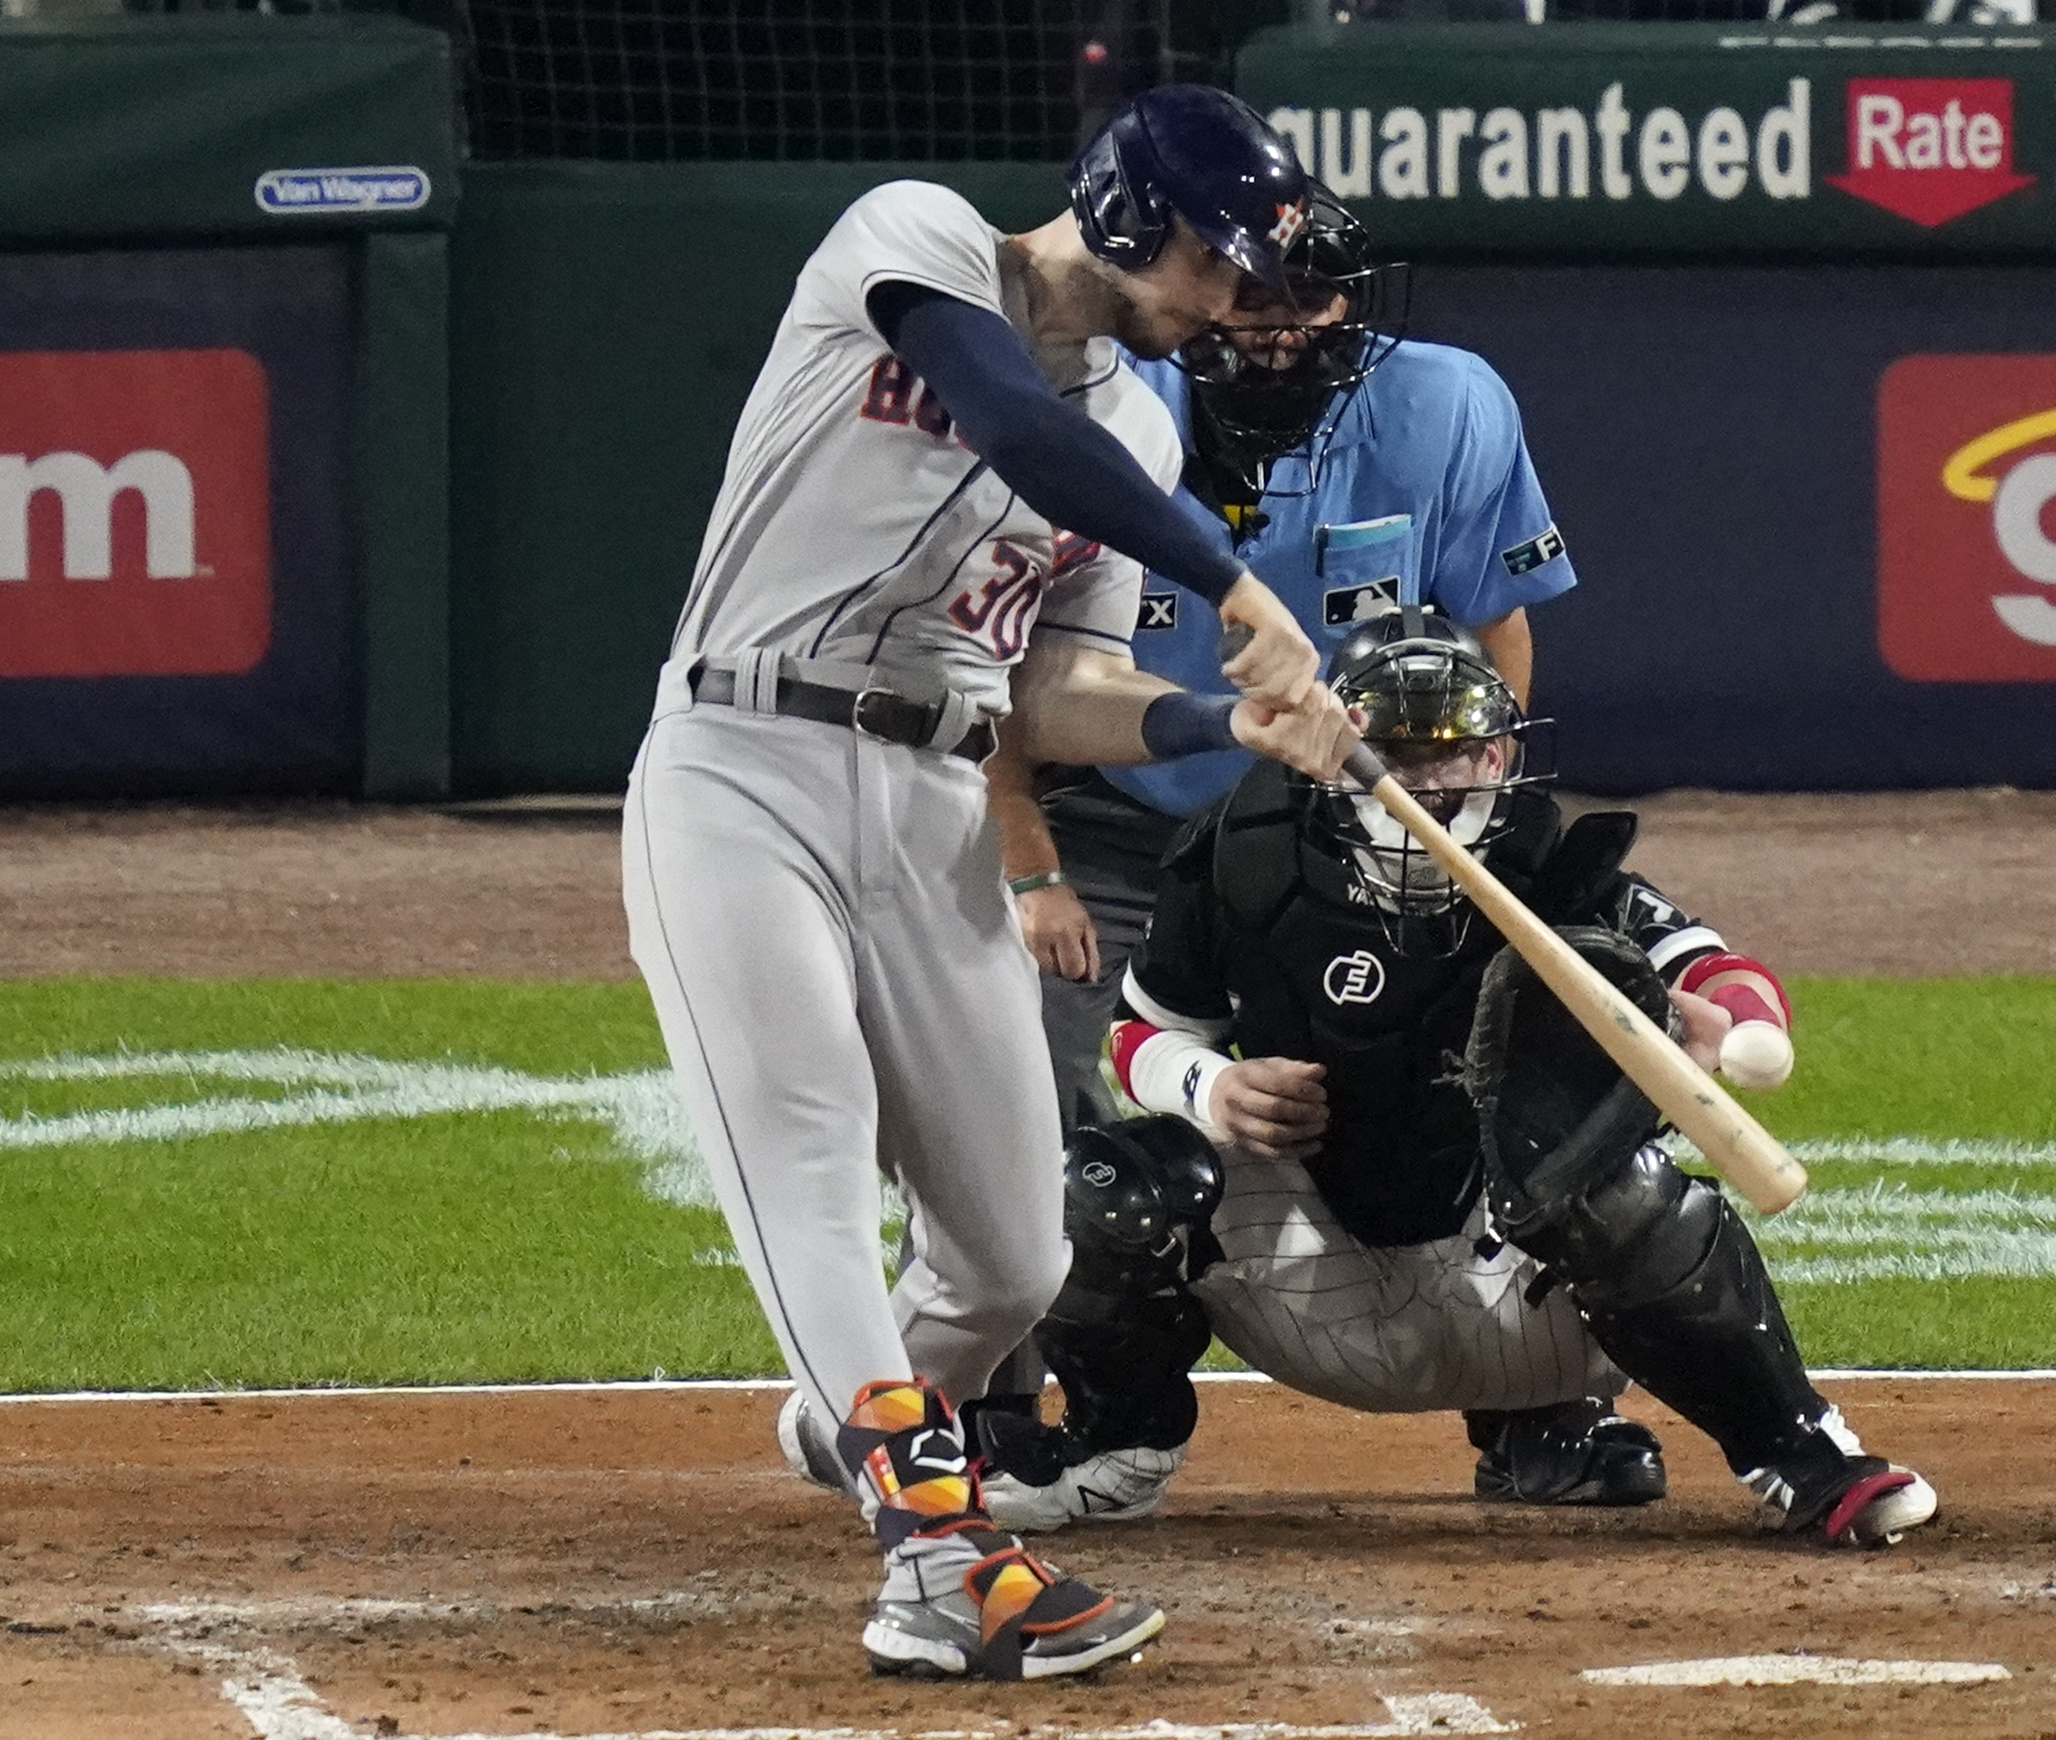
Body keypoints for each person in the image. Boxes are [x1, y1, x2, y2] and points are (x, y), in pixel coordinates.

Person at [620, 85, 1359, 1682]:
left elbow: (1052, 699)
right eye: (1213, 260)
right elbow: (1014, 421)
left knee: (1015, 1256)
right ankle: (938, 1564)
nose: (1233, 300)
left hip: (933, 801)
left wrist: (1224, 718)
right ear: (1117, 213)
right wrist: (1228, 578)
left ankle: (858, 1417)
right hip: (742, 770)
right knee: (805, 1141)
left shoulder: (1148, 430)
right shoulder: (913, 238)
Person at [980, 612, 1938, 1545]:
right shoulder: (1244, 852)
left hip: (1518, 1295)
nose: (1426, 783)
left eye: (1451, 755)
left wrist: (1738, 1030)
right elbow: (1141, 1037)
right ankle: (1112, 1450)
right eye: (1395, 755)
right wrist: (1212, 1088)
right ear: (1335, 752)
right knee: (1104, 1181)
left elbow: (1711, 968)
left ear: (1498, 758)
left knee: (1626, 1186)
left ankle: (1803, 1455)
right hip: (1315, 1286)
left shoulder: (1550, 860)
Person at [986, 188, 1575, 1139]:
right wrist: (1026, 862)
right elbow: (992, 657)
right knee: (1019, 1090)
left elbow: (1493, 627)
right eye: (1254, 297)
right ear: (1195, 291)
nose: (1285, 327)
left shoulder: (1446, 404)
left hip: (1343, 817)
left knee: (1381, 1097)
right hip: (1121, 810)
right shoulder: (1098, 404)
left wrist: (1472, 813)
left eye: (1315, 295)